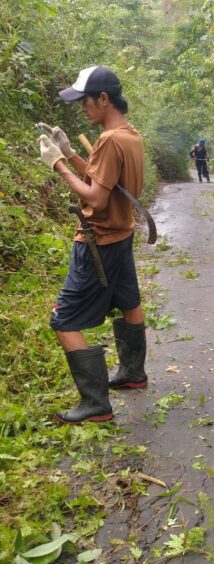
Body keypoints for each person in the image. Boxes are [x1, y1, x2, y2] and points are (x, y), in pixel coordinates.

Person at [37, 66, 148, 424]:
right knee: (129, 302)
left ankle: (95, 405)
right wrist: (71, 154)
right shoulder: (129, 135)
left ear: (104, 98)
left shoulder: (109, 139)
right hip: (121, 235)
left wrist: (57, 165)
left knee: (63, 320)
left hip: (98, 242)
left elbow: (96, 198)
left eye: (85, 100)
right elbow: (107, 181)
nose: (83, 107)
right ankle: (133, 373)